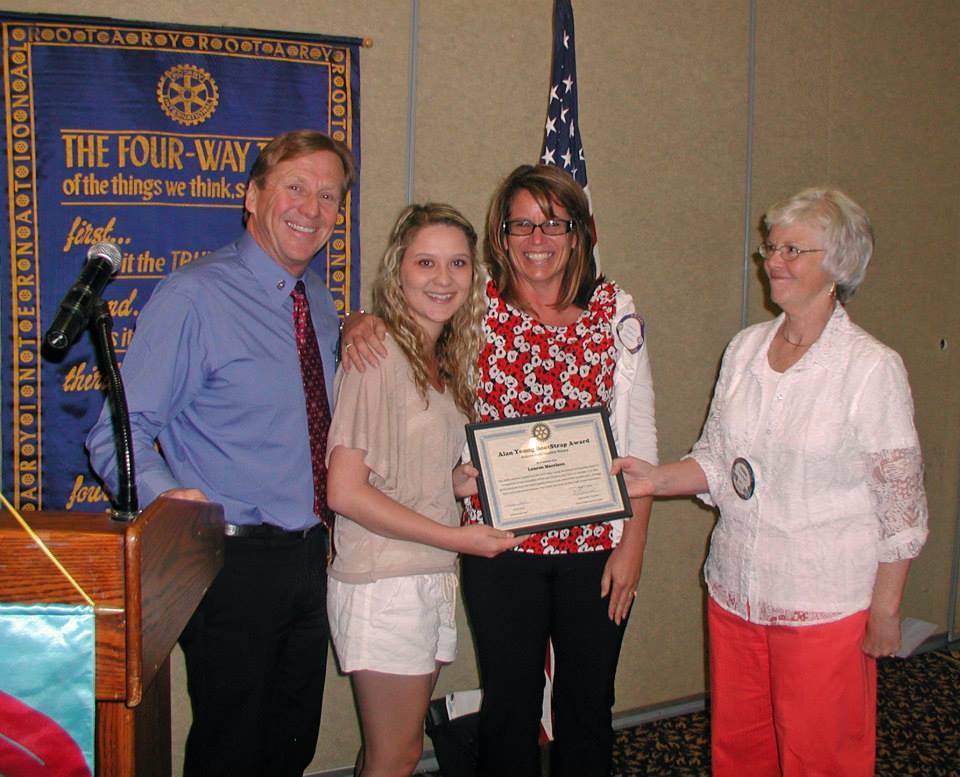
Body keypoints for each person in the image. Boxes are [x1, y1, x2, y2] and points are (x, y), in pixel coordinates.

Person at [342, 164, 657, 777]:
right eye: (522, 224)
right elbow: (408, 317)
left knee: (589, 705)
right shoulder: (476, 302)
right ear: (501, 234)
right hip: (499, 545)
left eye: (554, 223)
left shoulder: (615, 310)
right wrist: (359, 321)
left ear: (578, 232)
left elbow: (639, 436)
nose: (537, 239)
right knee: (510, 707)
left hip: (596, 546)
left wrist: (634, 543)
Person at [613, 188, 928, 777]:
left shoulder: (870, 368)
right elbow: (717, 461)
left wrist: (886, 610)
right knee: (741, 750)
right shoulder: (745, 349)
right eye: (770, 247)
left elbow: (901, 507)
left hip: (821, 605)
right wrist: (654, 479)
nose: (773, 261)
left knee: (820, 756)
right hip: (736, 594)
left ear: (838, 265)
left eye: (792, 250)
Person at [86, 130, 353, 777]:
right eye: (296, 187)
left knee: (291, 744)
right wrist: (172, 500)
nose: (312, 208)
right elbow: (114, 434)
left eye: (329, 196)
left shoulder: (317, 300)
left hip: (312, 555)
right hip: (232, 562)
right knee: (231, 752)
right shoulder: (194, 296)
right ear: (252, 196)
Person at [325, 203, 519, 777]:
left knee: (392, 747)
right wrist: (458, 538)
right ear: (398, 270)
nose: (443, 278)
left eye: (458, 263)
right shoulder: (377, 353)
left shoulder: (439, 357)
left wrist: (456, 483)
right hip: (385, 578)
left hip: (424, 571)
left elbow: (401, 474)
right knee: (398, 754)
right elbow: (346, 492)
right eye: (426, 262)